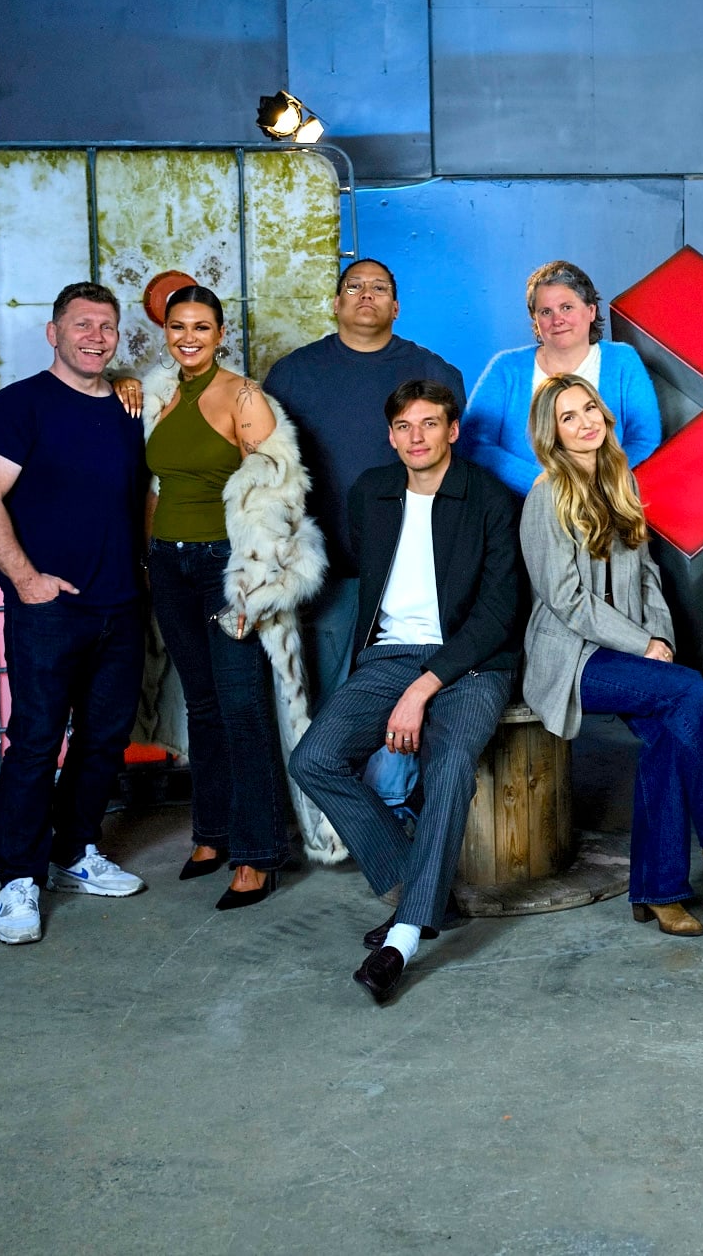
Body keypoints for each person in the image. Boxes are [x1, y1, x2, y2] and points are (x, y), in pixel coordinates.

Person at [520, 374, 703, 935]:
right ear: (552, 434)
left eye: (589, 408)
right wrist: (641, 644)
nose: (585, 422)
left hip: (628, 654)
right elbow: (565, 600)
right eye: (568, 417)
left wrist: (659, 642)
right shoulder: (547, 495)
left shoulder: (620, 483)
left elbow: (648, 579)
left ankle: (659, 892)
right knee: (689, 690)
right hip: (571, 660)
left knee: (668, 735)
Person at [288, 381, 520, 1006]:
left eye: (430, 423)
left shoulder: (489, 497)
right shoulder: (372, 492)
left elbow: (500, 610)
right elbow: (367, 569)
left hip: (474, 662)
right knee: (314, 759)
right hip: (389, 655)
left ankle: (405, 936)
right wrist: (406, 678)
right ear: (391, 436)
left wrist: (425, 686)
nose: (416, 437)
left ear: (453, 431)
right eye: (404, 426)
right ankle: (424, 890)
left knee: (450, 765)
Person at [0, 283, 150, 944]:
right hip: (49, 611)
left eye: (107, 326)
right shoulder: (18, 407)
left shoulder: (129, 407)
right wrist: (26, 579)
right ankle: (18, 877)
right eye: (82, 324)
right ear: (54, 332)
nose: (95, 337)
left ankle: (74, 853)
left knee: (104, 740)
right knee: (38, 740)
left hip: (121, 606)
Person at [141, 285, 326, 910]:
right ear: (165, 333)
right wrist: (148, 561)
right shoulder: (161, 394)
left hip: (225, 567)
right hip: (169, 564)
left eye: (201, 326)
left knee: (242, 706)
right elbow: (156, 485)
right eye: (178, 326)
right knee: (202, 704)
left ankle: (258, 853)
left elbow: (279, 495)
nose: (188, 337)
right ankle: (213, 833)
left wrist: (255, 587)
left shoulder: (245, 398)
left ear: (221, 334)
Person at [264, 258, 466, 813]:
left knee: (404, 692)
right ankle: (334, 818)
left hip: (410, 570)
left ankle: (393, 809)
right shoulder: (293, 374)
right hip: (328, 568)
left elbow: (454, 467)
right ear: (336, 303)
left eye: (379, 288)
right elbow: (267, 467)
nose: (366, 295)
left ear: (396, 306)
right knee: (330, 700)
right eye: (354, 287)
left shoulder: (432, 370)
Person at [462, 260, 662, 497]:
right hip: (518, 505)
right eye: (546, 312)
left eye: (567, 307)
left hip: (604, 501)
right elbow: (473, 443)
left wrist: (600, 486)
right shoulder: (506, 368)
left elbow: (645, 440)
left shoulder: (622, 361)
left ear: (591, 311)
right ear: (536, 320)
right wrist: (543, 485)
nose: (557, 320)